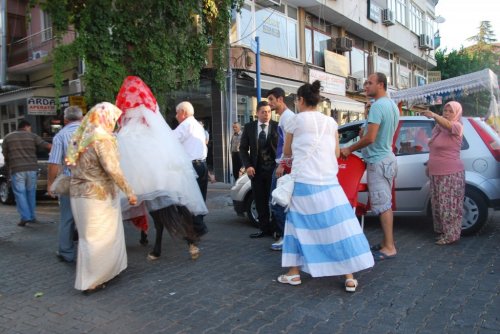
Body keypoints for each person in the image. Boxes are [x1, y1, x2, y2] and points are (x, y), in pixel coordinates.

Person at [278, 80, 374, 292]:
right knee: (338, 226)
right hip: (330, 183)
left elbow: (286, 152)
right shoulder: (331, 123)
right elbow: (337, 154)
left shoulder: (294, 121)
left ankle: (294, 273)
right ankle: (349, 276)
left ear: (301, 100)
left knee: (296, 226)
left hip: (304, 182)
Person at [115, 76, 208, 259]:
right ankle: (192, 242)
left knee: (154, 208)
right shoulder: (153, 114)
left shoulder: (127, 126)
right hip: (171, 165)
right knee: (179, 207)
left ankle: (152, 246)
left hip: (144, 168)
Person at [65, 102, 137, 294]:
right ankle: (93, 280)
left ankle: (101, 274)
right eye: (113, 118)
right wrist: (129, 191)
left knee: (88, 237)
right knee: (100, 237)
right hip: (99, 196)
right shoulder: (102, 138)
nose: (114, 122)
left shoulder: (80, 136)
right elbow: (112, 168)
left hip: (79, 194)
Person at [340, 72, 399, 261]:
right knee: (385, 203)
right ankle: (385, 243)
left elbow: (370, 138)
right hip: (387, 157)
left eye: (369, 83)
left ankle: (389, 246)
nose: (365, 86)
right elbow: (378, 133)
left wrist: (349, 149)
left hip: (378, 160)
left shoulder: (377, 106)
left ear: (381, 85)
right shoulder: (391, 105)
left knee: (382, 205)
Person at [422, 102, 465, 245]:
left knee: (449, 206)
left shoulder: (457, 126)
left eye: (450, 111)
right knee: (438, 205)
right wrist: (429, 165)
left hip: (450, 173)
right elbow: (433, 148)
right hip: (436, 172)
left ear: (457, 113)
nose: (446, 113)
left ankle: (451, 235)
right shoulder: (438, 128)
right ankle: (443, 232)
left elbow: (448, 124)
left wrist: (434, 115)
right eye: (445, 110)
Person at [47, 106, 83, 263]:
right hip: (90, 183)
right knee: (86, 217)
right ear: (81, 119)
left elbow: (54, 163)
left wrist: (50, 184)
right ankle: (87, 252)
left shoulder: (60, 136)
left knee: (67, 218)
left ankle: (66, 252)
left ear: (65, 120)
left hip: (69, 182)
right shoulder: (91, 133)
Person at [239, 101, 279, 238]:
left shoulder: (276, 126)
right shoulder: (249, 127)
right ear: (257, 113)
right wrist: (248, 165)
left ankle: (275, 230)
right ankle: (263, 229)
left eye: (269, 111)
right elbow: (243, 149)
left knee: (274, 200)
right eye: (263, 112)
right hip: (256, 170)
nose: (267, 114)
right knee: (260, 200)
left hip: (273, 170)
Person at [2, 120, 51, 226]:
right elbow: (46, 145)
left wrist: (8, 166)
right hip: (32, 168)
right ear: (27, 127)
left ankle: (25, 217)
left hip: (17, 169)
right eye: (30, 128)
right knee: (31, 192)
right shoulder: (32, 136)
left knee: (20, 193)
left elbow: (5, 154)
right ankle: (32, 216)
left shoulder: (8, 137)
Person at [174, 101, 209, 239]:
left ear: (183, 112)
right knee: (199, 198)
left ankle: (198, 228)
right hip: (202, 165)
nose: (176, 116)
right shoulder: (197, 125)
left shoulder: (185, 124)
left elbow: (170, 140)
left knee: (187, 200)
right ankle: (194, 229)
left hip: (191, 167)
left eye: (177, 113)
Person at [266, 87, 295, 250]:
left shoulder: (288, 118)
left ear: (280, 99)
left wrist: (282, 164)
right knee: (279, 202)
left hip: (284, 167)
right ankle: (285, 236)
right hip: (284, 165)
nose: (269, 104)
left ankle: (286, 238)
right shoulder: (285, 117)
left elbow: (288, 144)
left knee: (277, 201)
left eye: (271, 99)